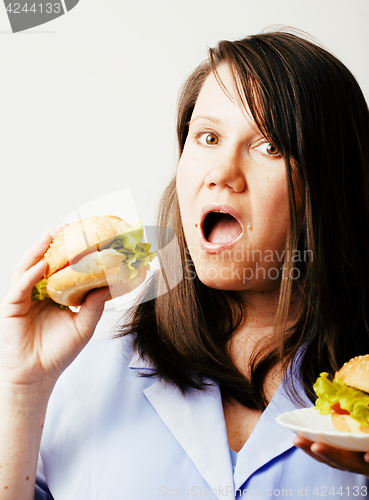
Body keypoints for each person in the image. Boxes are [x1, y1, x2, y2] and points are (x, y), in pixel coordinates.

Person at [1, 29, 369, 499]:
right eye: (208, 137)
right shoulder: (84, 365)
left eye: (270, 146)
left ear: (330, 184)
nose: (220, 174)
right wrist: (22, 387)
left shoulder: (359, 381)